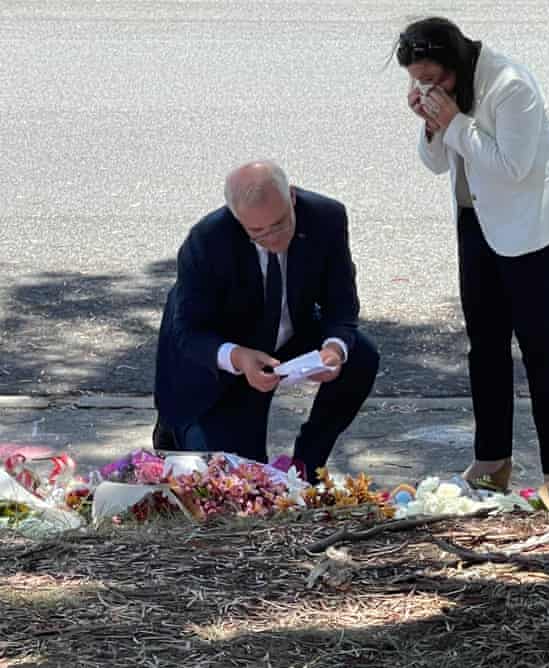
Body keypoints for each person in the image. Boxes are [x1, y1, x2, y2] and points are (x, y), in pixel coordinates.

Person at [396, 18, 549, 497]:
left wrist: (454, 122)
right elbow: (438, 163)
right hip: (477, 223)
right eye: (419, 82)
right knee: (485, 346)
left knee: (540, 346)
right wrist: (432, 124)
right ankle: (492, 459)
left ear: (456, 61)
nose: (428, 89)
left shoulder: (510, 86)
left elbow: (512, 166)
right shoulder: (447, 94)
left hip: (533, 228)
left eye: (435, 80)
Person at [152, 160, 379, 483]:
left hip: (289, 331)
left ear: (292, 197)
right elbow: (187, 332)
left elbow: (341, 305)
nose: (273, 238)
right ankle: (178, 430)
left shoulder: (326, 217)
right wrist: (238, 358)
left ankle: (306, 464)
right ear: (237, 219)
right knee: (242, 480)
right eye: (257, 231)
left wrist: (333, 349)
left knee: (361, 355)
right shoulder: (207, 239)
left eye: (280, 224)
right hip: (222, 353)